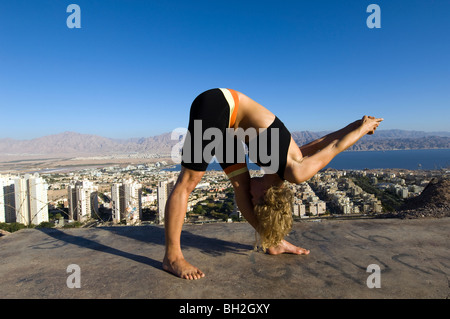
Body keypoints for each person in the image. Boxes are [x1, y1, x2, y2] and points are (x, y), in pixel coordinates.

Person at [163, 88, 383, 280]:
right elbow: (333, 146)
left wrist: (353, 125)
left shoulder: (281, 166)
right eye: (254, 199)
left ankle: (274, 242)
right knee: (189, 180)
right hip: (218, 104)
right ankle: (172, 257)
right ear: (266, 195)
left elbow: (319, 144)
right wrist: (362, 128)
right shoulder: (296, 171)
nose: (251, 194)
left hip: (229, 128)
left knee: (239, 186)